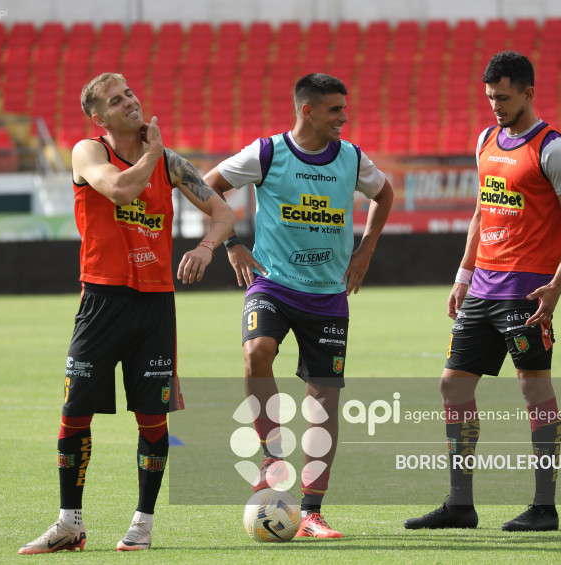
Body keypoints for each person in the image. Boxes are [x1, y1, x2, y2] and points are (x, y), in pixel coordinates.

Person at [18, 73, 236, 554]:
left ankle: (142, 525)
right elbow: (119, 190)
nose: (130, 102)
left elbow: (225, 213)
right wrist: (154, 155)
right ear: (99, 117)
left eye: (131, 93)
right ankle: (68, 524)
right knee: (75, 413)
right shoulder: (88, 152)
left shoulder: (172, 163)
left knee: (151, 417)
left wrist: (205, 246)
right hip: (101, 300)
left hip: (155, 304)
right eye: (116, 101)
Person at [404, 51, 561, 532]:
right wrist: (463, 275)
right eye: (490, 98)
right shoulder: (487, 139)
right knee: (452, 385)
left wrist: (556, 288)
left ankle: (544, 507)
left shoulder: (553, 149)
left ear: (529, 92)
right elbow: (482, 211)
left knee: (533, 389)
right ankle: (460, 504)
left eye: (503, 98)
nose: (495, 107)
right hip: (483, 287)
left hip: (527, 292)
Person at [203, 73, 393, 539]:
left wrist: (365, 249)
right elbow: (206, 184)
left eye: (344, 110)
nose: (344, 119)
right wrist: (230, 245)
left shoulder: (351, 159)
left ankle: (310, 511)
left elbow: (384, 194)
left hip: (327, 295)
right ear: (307, 111)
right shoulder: (267, 153)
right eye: (334, 111)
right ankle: (271, 455)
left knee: (323, 403)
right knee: (256, 351)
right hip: (271, 284)